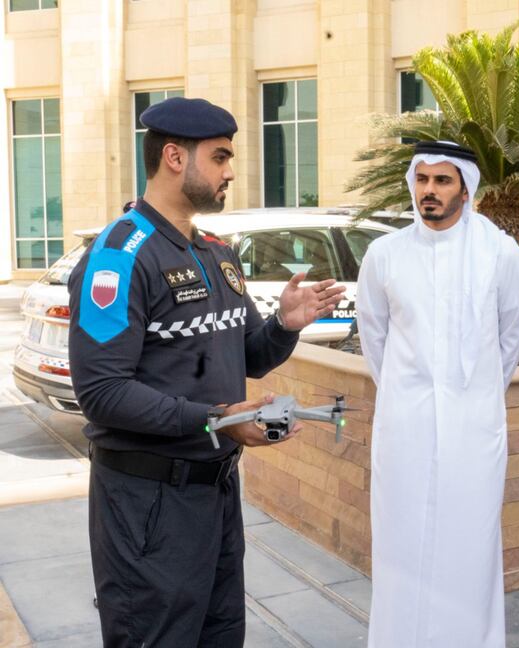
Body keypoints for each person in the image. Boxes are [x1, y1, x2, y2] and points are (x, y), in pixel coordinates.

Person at [67, 97, 345, 647]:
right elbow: (101, 392)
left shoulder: (216, 252)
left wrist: (285, 325)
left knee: (220, 636)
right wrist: (216, 420)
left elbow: (251, 357)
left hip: (216, 493)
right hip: (147, 505)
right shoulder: (119, 256)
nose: (230, 171)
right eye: (220, 158)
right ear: (174, 157)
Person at [356, 140, 519, 647]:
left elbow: (511, 339)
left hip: (474, 430)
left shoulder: (500, 252)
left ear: (465, 188)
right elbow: (375, 341)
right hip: (403, 427)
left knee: (468, 547)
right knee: (400, 546)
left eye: (441, 181)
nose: (428, 191)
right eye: (422, 180)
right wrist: (408, 396)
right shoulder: (384, 254)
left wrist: (469, 397)